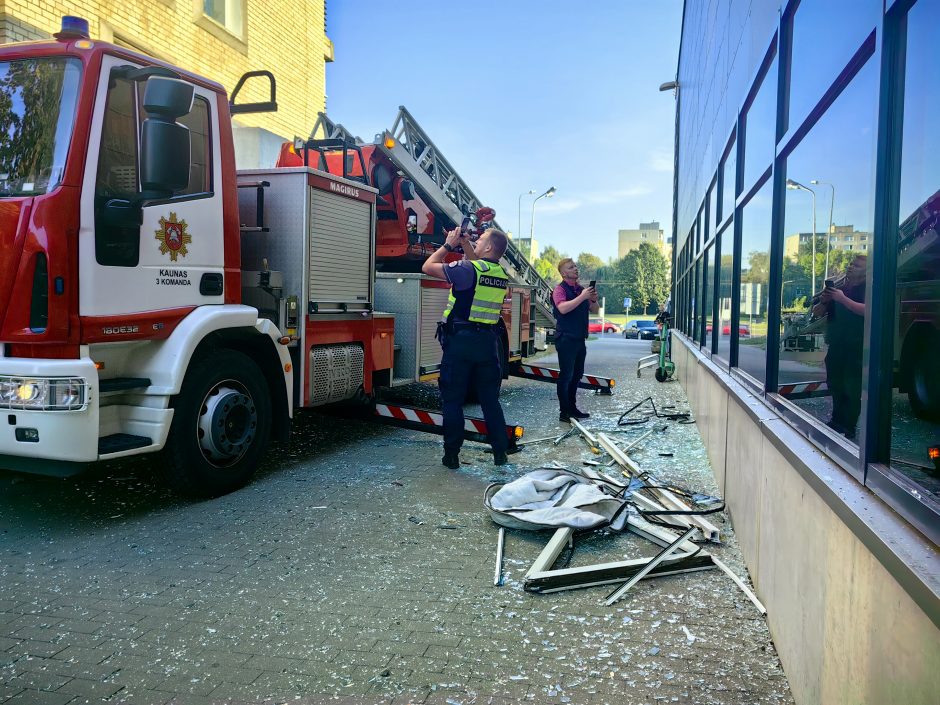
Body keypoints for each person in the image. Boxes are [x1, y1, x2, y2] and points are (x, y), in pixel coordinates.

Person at [421, 226, 511, 469]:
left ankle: (451, 456)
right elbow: (476, 267)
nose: (476, 241)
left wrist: (449, 245)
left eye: (480, 240)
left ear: (490, 247)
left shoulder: (467, 269)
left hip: (461, 342)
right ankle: (500, 453)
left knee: (453, 400)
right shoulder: (500, 273)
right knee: (490, 401)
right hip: (488, 345)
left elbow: (427, 267)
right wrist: (467, 245)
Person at [812, 254, 867, 439]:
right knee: (835, 384)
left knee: (852, 388)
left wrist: (842, 299)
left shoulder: (869, 289)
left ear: (866, 272)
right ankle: (836, 422)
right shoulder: (840, 289)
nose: (851, 267)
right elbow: (817, 313)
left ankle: (849, 427)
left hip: (856, 346)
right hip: (836, 345)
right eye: (851, 263)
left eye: (857, 265)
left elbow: (868, 310)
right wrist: (824, 301)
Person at [552, 258, 599, 423]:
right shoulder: (559, 289)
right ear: (564, 273)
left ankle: (572, 408)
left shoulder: (581, 289)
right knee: (566, 375)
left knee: (577, 375)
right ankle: (564, 412)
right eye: (571, 267)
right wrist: (582, 296)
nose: (575, 269)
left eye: (575, 266)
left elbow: (595, 310)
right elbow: (563, 308)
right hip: (566, 338)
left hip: (579, 339)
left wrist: (592, 298)